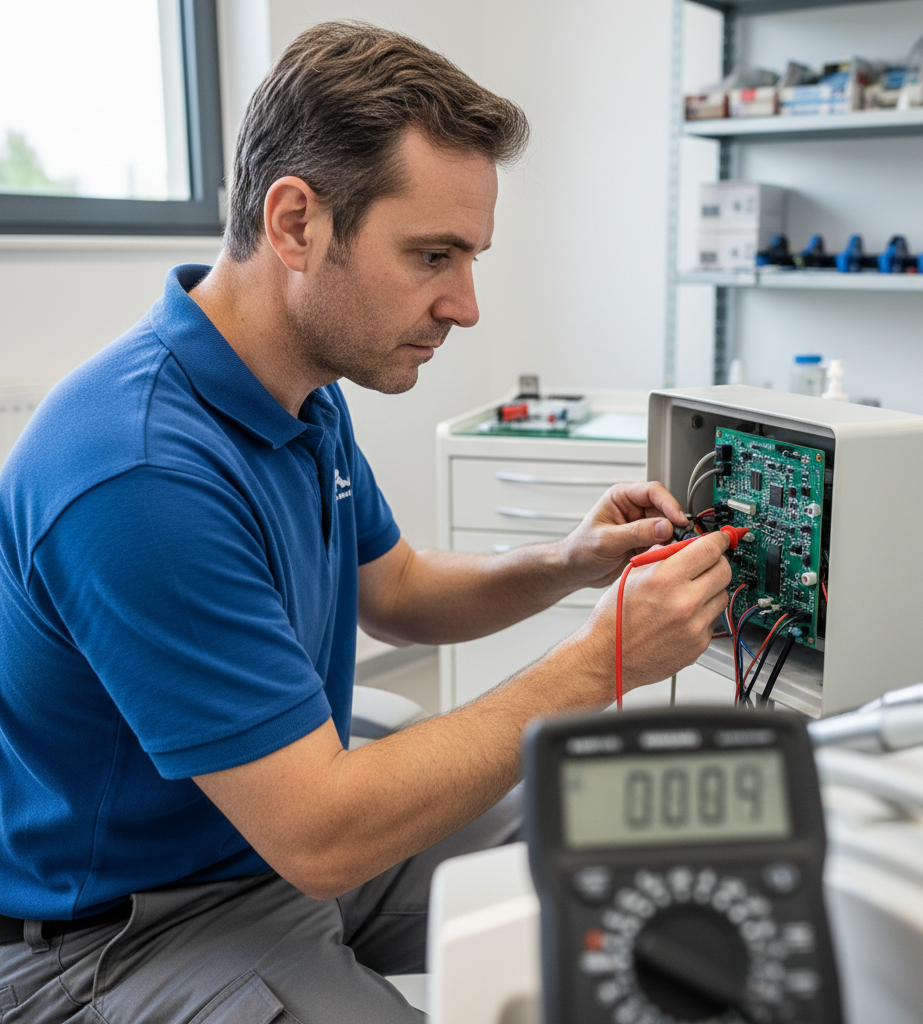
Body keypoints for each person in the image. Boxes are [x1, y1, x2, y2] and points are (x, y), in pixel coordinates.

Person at [0, 21, 732, 1024]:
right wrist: (600, 660)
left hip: (273, 846)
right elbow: (323, 833)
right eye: (433, 255)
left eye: (469, 256)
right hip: (128, 931)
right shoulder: (135, 473)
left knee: (638, 828)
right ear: (296, 223)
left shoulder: (298, 384)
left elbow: (395, 589)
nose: (465, 305)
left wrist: (569, 564)